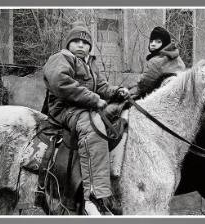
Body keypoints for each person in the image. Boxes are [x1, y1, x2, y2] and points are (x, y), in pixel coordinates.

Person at [42, 21, 129, 215]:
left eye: (85, 42)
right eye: (76, 41)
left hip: (85, 107)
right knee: (94, 127)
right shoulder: (61, 58)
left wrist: (117, 92)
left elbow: (102, 87)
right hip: (65, 108)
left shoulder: (91, 63)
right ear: (68, 44)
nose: (81, 45)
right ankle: (95, 196)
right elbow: (61, 83)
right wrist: (94, 100)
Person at [134, 26, 186, 98]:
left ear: (165, 43)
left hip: (160, 100)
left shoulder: (155, 62)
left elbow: (143, 84)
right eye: (151, 41)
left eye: (158, 42)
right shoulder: (177, 58)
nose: (153, 44)